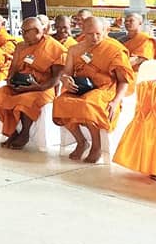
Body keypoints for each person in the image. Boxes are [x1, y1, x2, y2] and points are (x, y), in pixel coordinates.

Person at [53, 17, 134, 163]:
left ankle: (97, 146)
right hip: (82, 87)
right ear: (83, 31)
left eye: (98, 34)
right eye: (90, 34)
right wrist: (65, 80)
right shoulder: (74, 50)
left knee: (88, 103)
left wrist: (115, 102)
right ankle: (81, 141)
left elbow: (123, 81)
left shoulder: (114, 50)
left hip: (106, 88)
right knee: (60, 102)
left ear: (105, 31)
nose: (95, 38)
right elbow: (67, 73)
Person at [0, 16, 66, 150]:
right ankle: (12, 131)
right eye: (22, 31)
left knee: (24, 101)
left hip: (43, 88)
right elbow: (13, 68)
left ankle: (25, 132)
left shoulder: (55, 48)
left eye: (26, 32)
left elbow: (56, 78)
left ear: (37, 31)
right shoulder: (20, 46)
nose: (23, 35)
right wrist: (11, 80)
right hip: (20, 84)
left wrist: (38, 87)